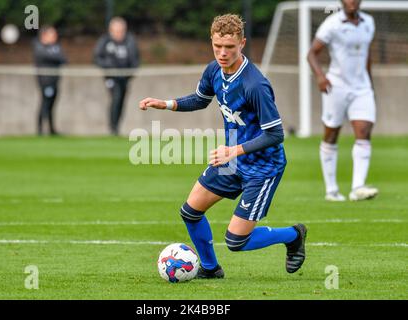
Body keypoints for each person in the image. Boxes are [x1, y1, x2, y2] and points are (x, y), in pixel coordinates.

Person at [139, 14, 307, 278]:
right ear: (212, 41)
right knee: (190, 211)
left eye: (229, 47)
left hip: (262, 166)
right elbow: (200, 99)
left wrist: (233, 151)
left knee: (236, 241)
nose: (222, 53)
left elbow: (275, 134)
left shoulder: (255, 84)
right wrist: (167, 104)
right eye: (217, 46)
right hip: (231, 158)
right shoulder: (214, 70)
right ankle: (210, 268)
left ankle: (293, 235)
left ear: (242, 43)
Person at [307, 0, 379, 201]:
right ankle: (331, 190)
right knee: (331, 134)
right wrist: (320, 76)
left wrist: (370, 85)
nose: (352, 1)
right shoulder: (332, 24)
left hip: (362, 88)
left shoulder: (369, 22)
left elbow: (366, 55)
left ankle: (358, 187)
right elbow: (312, 53)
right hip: (336, 86)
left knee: (363, 131)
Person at [94, 17, 140, 135]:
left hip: (124, 78)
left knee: (121, 102)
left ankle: (116, 126)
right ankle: (112, 127)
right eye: (116, 30)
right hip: (111, 77)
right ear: (111, 30)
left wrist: (130, 72)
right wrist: (109, 68)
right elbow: (97, 58)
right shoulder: (105, 41)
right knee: (116, 98)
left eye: (121, 30)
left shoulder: (130, 41)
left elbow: (135, 59)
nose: (119, 33)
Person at [33, 26, 67, 136]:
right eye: (52, 34)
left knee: (52, 105)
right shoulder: (39, 46)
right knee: (45, 103)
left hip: (55, 80)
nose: (55, 37)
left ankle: (52, 129)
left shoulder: (56, 47)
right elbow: (47, 57)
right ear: (44, 36)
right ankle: (40, 130)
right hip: (45, 81)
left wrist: (55, 56)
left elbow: (63, 59)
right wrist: (55, 57)